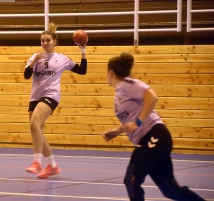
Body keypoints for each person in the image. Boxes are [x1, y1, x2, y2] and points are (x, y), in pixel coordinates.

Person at [103, 52, 205, 201]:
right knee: (170, 190)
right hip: (152, 140)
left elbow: (152, 97)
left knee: (131, 179)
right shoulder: (120, 92)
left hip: (154, 135)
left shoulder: (127, 84)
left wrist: (138, 123)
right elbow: (130, 118)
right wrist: (117, 131)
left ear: (110, 72)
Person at [23, 22, 88, 178]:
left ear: (54, 42)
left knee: (34, 124)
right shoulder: (35, 57)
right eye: (42, 41)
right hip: (35, 97)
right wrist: (33, 62)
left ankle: (37, 162)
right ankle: (52, 165)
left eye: (48, 40)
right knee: (36, 130)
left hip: (51, 96)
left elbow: (82, 70)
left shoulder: (61, 59)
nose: (45, 43)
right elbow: (26, 75)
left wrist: (83, 51)